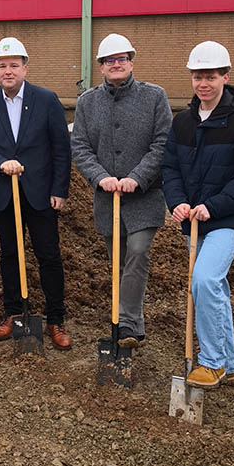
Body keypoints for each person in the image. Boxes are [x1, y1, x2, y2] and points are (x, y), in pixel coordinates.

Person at [162, 41, 234, 388]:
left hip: (229, 218)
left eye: (209, 76)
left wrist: (214, 206)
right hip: (194, 219)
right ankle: (232, 363)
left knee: (205, 280)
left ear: (225, 76)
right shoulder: (182, 122)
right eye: (197, 76)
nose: (202, 83)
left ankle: (211, 362)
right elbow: (170, 169)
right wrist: (176, 202)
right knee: (214, 288)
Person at [71, 33, 172, 348]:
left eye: (122, 59)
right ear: (101, 66)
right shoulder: (88, 102)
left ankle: (125, 325)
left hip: (144, 197)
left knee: (138, 253)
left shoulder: (154, 96)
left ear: (131, 62)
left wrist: (137, 176)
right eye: (109, 61)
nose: (116, 64)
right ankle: (133, 326)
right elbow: (81, 146)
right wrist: (100, 177)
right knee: (119, 261)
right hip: (107, 199)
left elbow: (162, 143)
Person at [0, 37, 72, 350]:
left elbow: (61, 148)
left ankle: (55, 318)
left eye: (14, 65)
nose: (8, 71)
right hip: (4, 193)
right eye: (2, 66)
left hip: (41, 193)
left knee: (48, 255)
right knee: (10, 256)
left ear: (25, 68)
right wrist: (1, 162)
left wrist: (60, 189)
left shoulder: (47, 100)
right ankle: (14, 313)